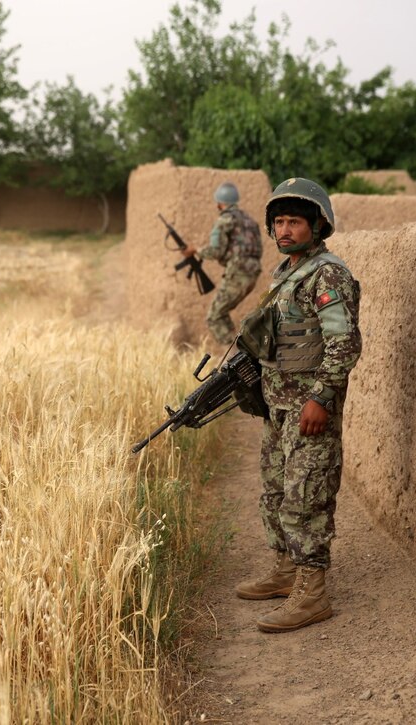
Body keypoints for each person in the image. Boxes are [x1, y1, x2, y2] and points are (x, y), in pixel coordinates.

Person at [234, 177, 362, 633]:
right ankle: (286, 572)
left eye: (294, 221)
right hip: (280, 406)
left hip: (309, 408)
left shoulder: (327, 273)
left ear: (317, 225)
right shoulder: (285, 273)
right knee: (275, 491)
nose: (284, 229)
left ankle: (313, 593)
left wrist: (322, 398)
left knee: (306, 497)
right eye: (279, 222)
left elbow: (343, 342)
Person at [180, 182, 263, 346]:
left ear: (219, 203)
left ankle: (237, 357)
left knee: (214, 317)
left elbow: (215, 251)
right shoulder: (250, 221)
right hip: (252, 273)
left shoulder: (224, 221)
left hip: (237, 274)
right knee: (221, 314)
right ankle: (241, 352)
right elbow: (257, 250)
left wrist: (194, 250)